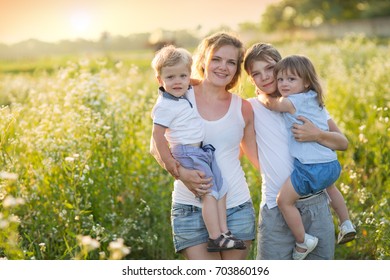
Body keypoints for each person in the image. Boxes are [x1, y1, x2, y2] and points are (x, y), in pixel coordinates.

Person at [150, 32, 259, 260]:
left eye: (231, 62)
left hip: (236, 206)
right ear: (203, 61)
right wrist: (181, 173)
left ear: (237, 69)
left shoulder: (244, 108)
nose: (223, 67)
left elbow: (254, 157)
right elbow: (155, 146)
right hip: (189, 207)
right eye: (216, 59)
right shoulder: (179, 93)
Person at [244, 43, 354, 260]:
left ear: (283, 66)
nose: (265, 77)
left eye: (270, 69)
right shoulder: (250, 107)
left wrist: (317, 135)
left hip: (315, 203)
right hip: (276, 206)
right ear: (251, 80)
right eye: (256, 74)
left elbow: (342, 143)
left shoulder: (306, 101)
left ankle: (343, 224)